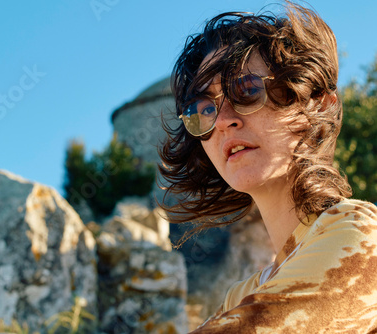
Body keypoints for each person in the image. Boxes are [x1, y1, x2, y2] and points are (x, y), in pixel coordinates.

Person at [158, 1, 377, 332]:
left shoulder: (361, 236)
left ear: (314, 107)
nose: (222, 121)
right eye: (203, 109)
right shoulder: (242, 296)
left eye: (245, 89)